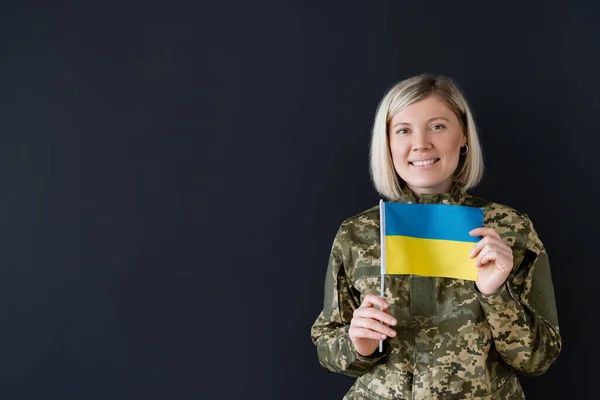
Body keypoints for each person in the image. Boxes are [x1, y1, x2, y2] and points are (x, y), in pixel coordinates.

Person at [310, 74, 561, 399]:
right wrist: (357, 343)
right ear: (387, 143)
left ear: (464, 136)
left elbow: (539, 359)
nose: (421, 143)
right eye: (403, 130)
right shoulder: (357, 233)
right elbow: (326, 345)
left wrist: (497, 294)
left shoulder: (510, 228)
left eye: (437, 126)